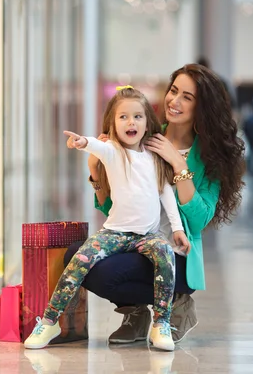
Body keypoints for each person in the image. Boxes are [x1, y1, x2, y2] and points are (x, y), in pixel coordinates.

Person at [66, 64, 245, 344]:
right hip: (133, 241)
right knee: (77, 256)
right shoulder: (142, 131)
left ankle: (178, 303)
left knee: (107, 274)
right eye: (174, 91)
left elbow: (199, 220)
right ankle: (136, 314)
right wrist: (96, 172)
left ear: (203, 107)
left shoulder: (211, 157)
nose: (175, 101)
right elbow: (110, 206)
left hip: (176, 256)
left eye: (188, 97)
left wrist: (177, 163)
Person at [24, 86, 190, 352]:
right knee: (78, 262)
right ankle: (49, 320)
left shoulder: (154, 159)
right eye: (123, 117)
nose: (130, 122)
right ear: (113, 124)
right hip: (114, 233)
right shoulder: (113, 151)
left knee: (166, 258)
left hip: (148, 235)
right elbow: (97, 145)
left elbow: (166, 194)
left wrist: (178, 229)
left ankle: (161, 323)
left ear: (147, 123)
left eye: (137, 116)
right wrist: (82, 142)